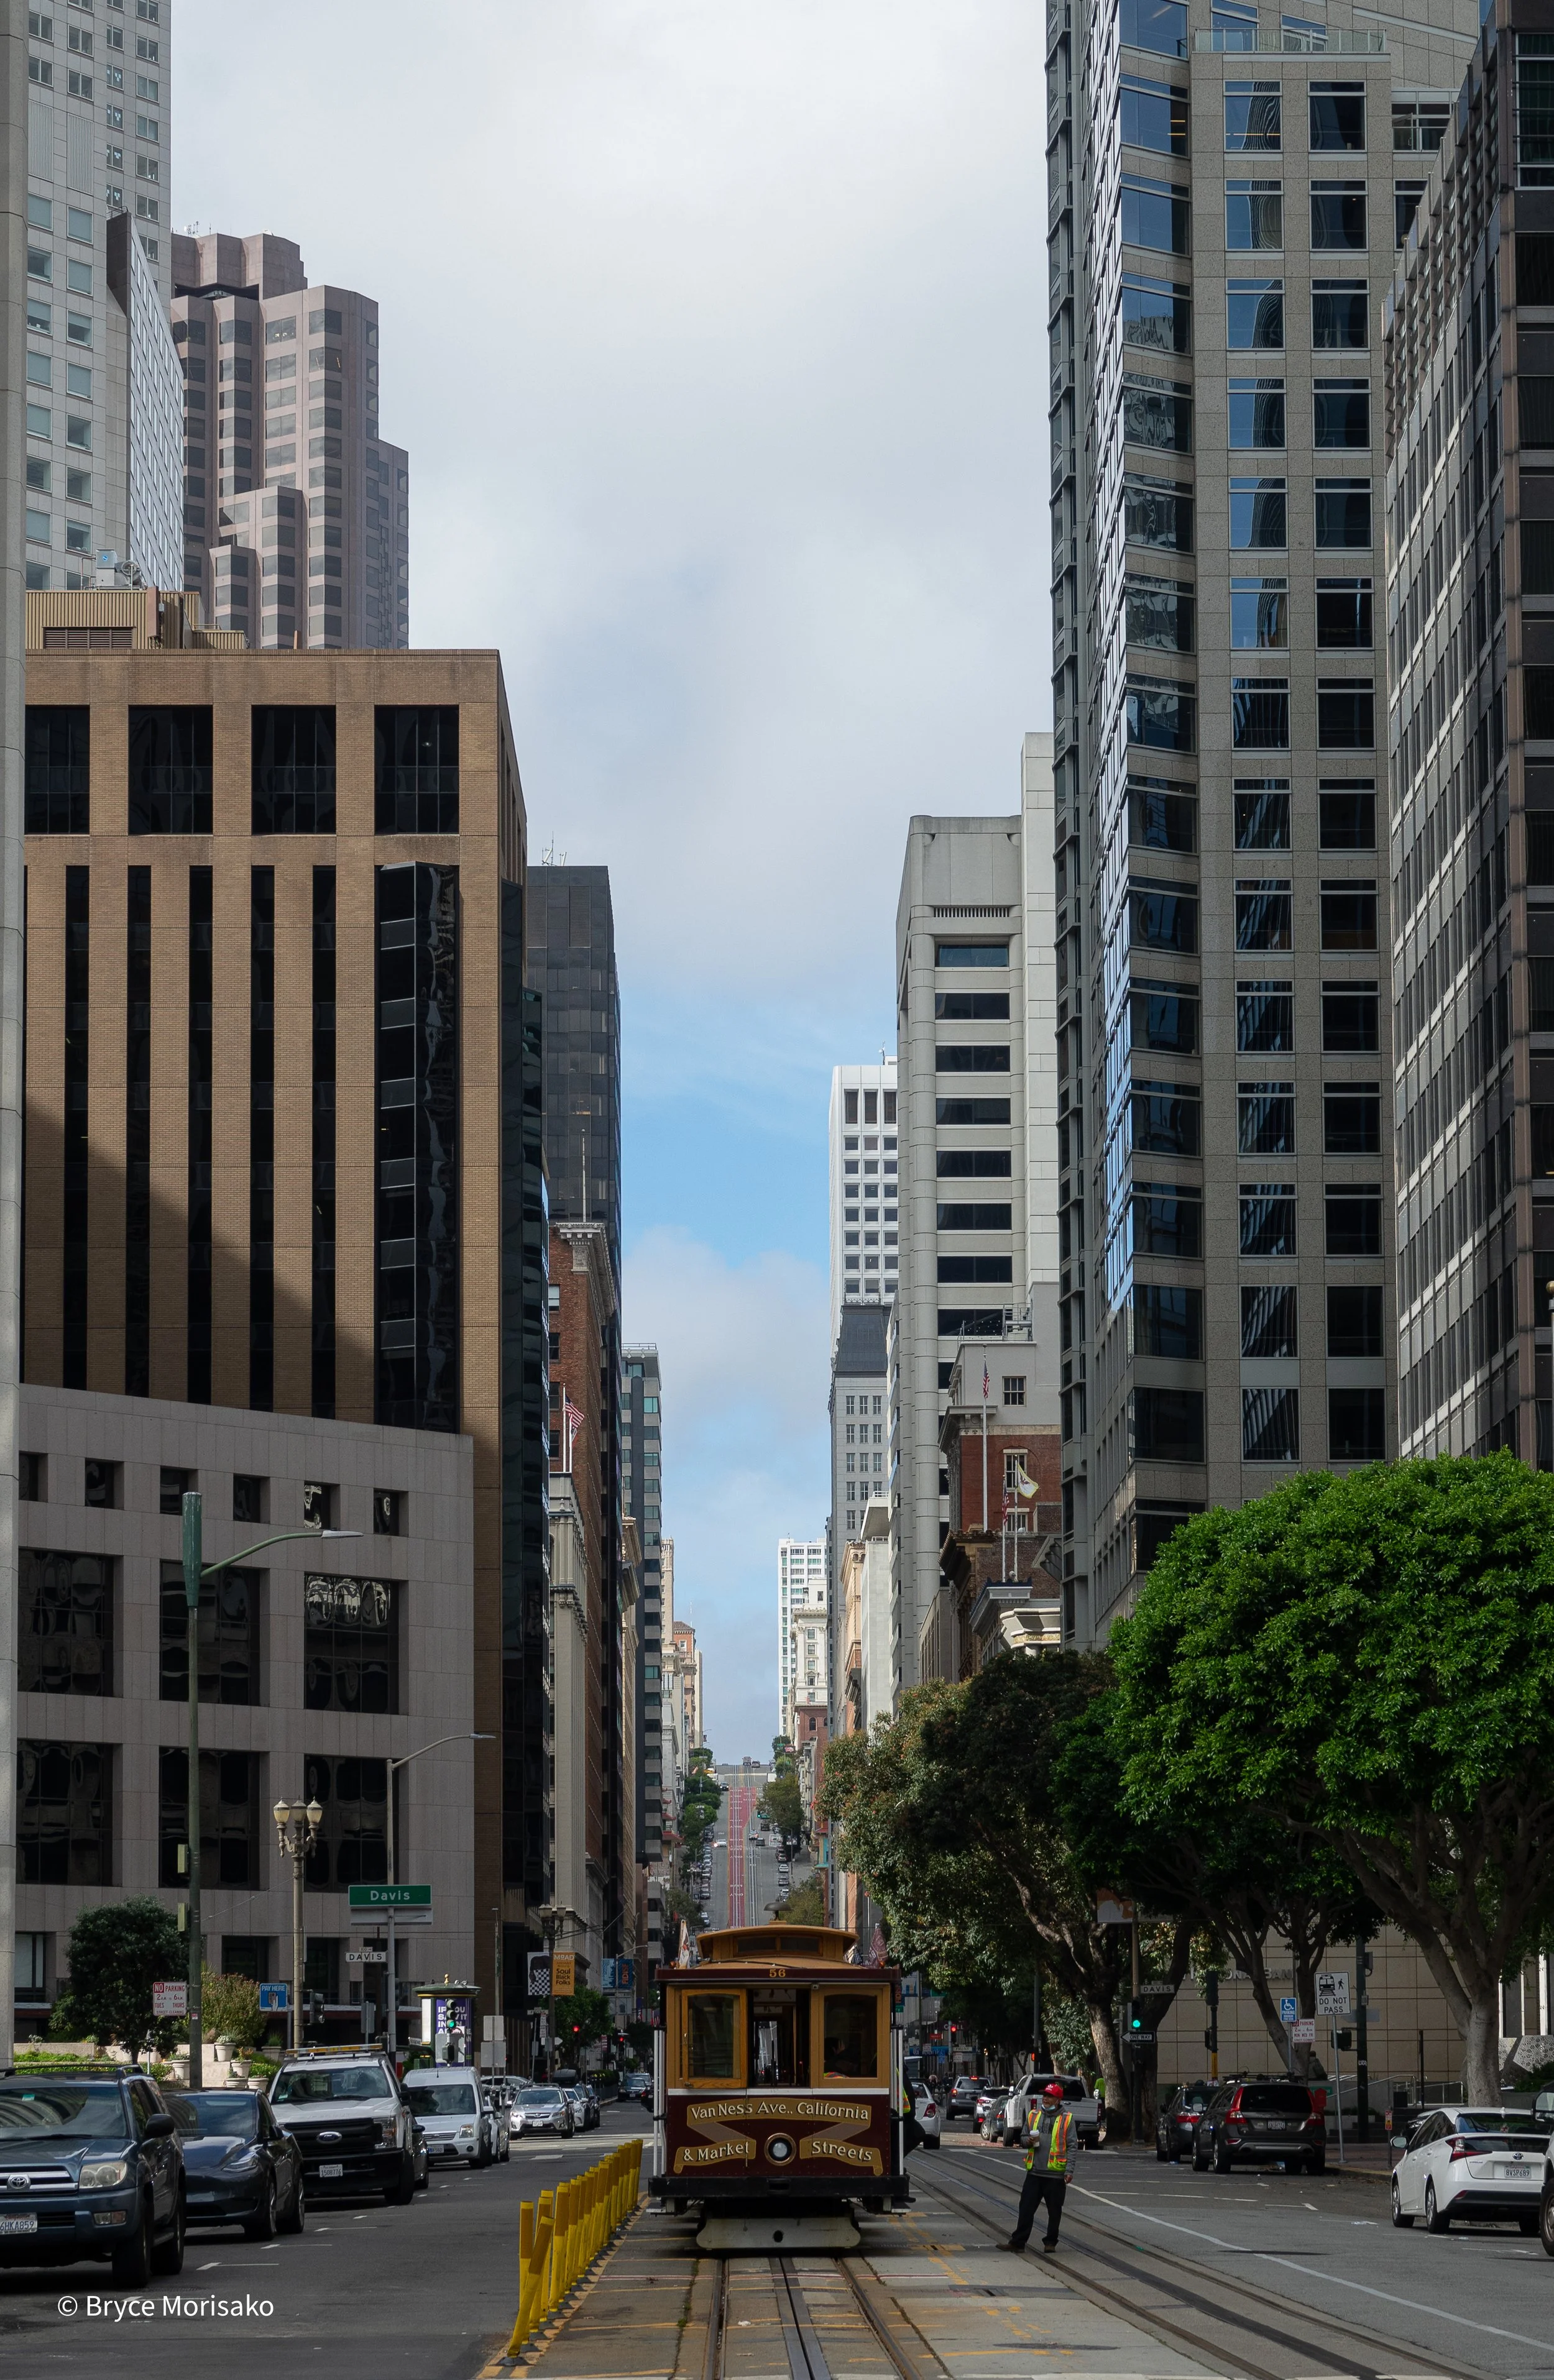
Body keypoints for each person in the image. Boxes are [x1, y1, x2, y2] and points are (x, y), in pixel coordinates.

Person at [1001, 2080, 1074, 2254]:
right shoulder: (1034, 2116)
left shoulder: (1067, 2119)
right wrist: (1029, 2141)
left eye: (1050, 2096)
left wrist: (1069, 2170)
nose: (1046, 2099)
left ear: (1058, 2100)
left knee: (1054, 2212)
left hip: (1055, 2175)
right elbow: (1023, 2139)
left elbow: (1072, 2146)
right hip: (1034, 2172)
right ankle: (1018, 2242)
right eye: (1045, 2095)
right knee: (1026, 2208)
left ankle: (1051, 2242)